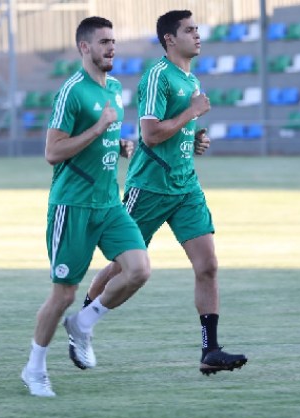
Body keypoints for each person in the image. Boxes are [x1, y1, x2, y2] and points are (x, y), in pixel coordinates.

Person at [82, 10, 247, 376]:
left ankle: (210, 351)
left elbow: (177, 132)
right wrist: (192, 113)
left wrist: (196, 139)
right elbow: (151, 134)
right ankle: (83, 320)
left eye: (197, 29)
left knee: (208, 266)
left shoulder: (191, 78)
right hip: (150, 187)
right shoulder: (158, 75)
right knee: (122, 265)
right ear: (170, 39)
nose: (197, 35)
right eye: (189, 30)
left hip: (185, 186)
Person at [21, 16, 151, 397]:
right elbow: (52, 152)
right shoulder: (72, 92)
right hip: (73, 206)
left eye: (113, 41)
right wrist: (97, 129)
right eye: (104, 42)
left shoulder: (115, 89)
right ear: (85, 47)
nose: (112, 48)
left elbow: (102, 139)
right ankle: (34, 369)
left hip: (109, 204)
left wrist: (118, 145)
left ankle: (83, 324)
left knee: (139, 270)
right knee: (63, 295)